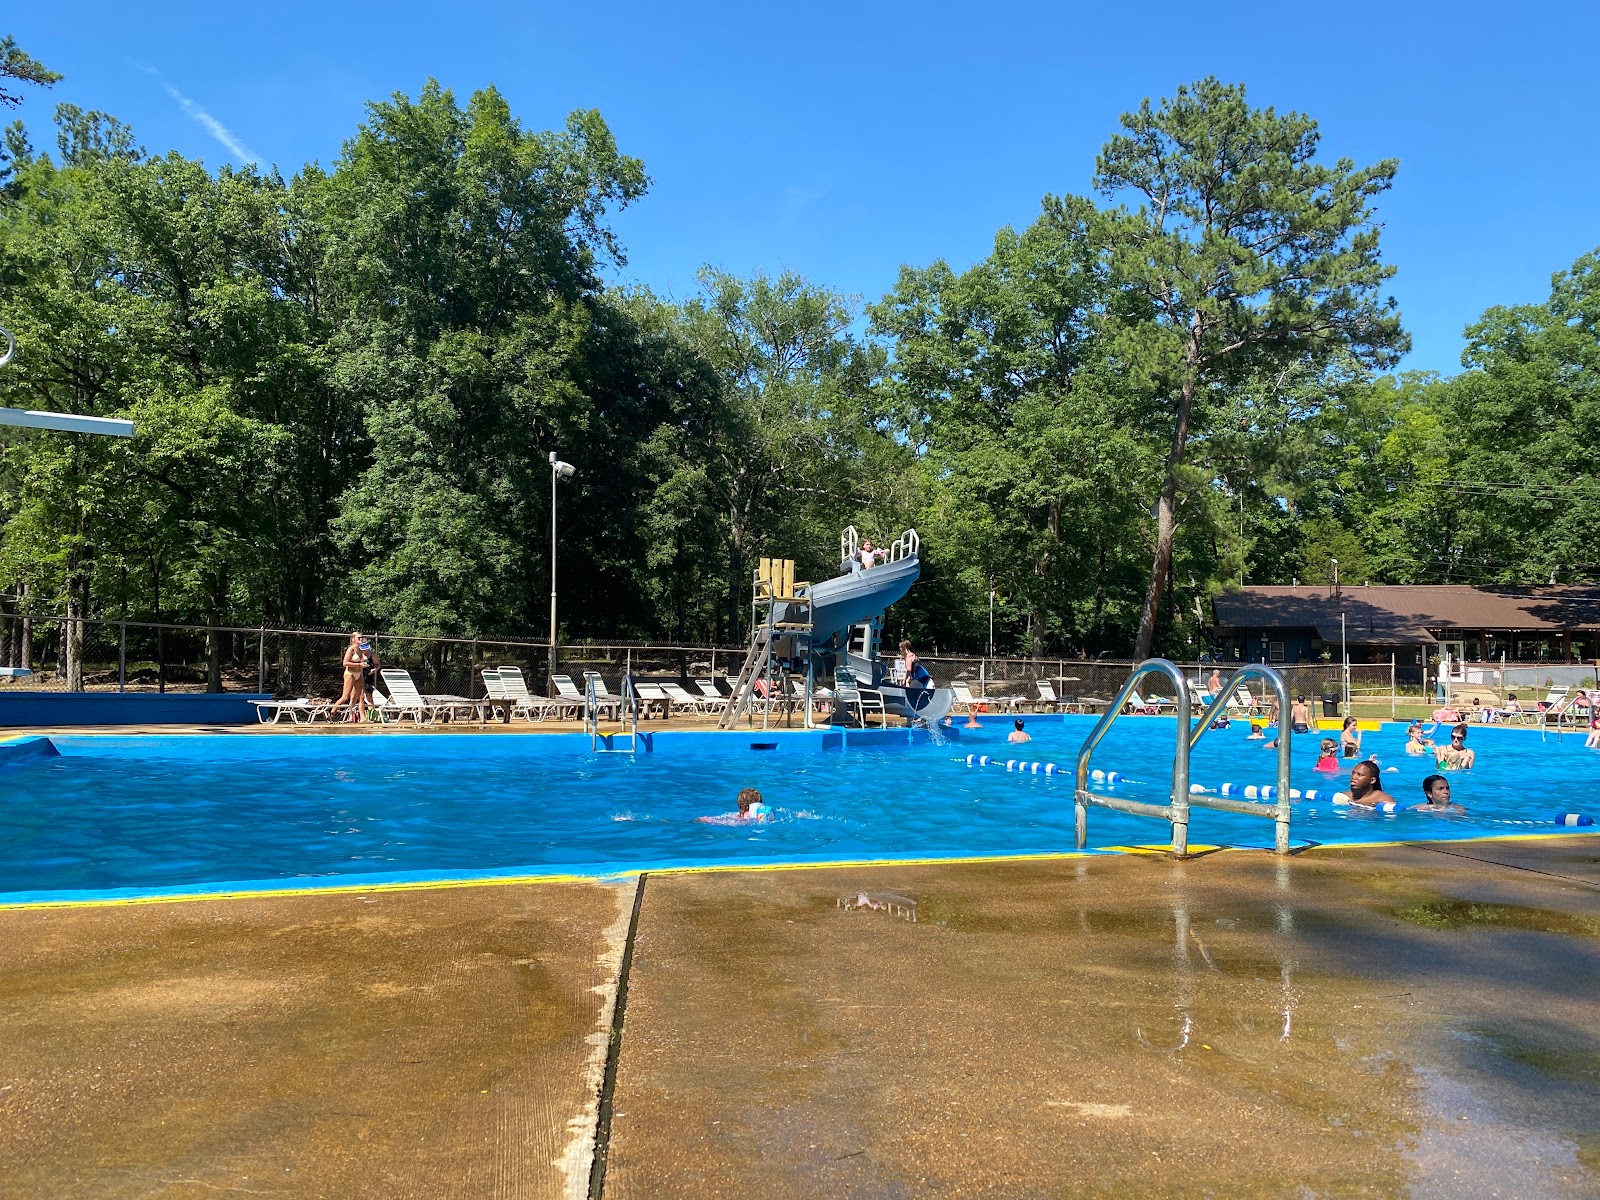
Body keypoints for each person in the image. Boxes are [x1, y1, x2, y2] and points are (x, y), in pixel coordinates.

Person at [336, 632, 366, 723]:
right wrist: (359, 664)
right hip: (350, 673)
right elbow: (345, 663)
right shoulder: (351, 649)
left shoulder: (362, 649)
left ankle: (363, 718)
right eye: (359, 638)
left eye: (362, 638)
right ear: (353, 639)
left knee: (361, 697)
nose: (361, 639)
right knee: (345, 697)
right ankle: (332, 712)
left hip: (358, 674)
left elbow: (365, 659)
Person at [359, 637, 382, 717]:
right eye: (363, 649)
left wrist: (375, 669)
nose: (364, 651)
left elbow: (378, 664)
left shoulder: (372, 654)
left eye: (366, 649)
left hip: (368, 677)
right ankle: (354, 715)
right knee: (358, 696)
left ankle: (372, 715)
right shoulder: (358, 654)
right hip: (359, 676)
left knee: (369, 696)